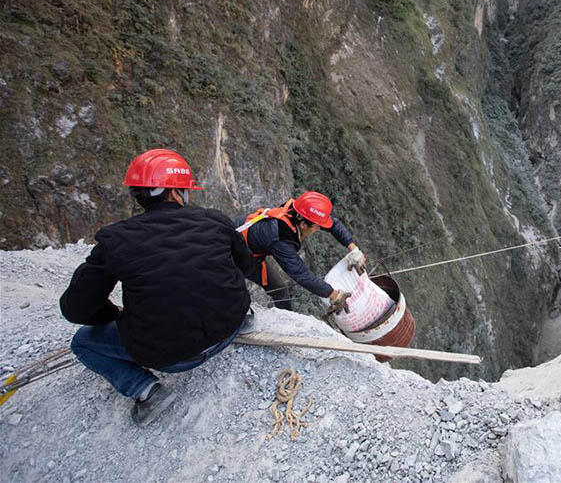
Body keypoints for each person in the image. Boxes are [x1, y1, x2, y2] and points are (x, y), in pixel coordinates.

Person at [60, 149, 254, 427]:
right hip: (231, 327)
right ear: (177, 193)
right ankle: (242, 316)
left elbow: (75, 308)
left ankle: (146, 390)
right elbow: (245, 266)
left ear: (137, 195)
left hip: (168, 357)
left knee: (83, 342)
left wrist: (114, 315)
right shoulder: (215, 220)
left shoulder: (115, 240)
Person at [235, 191, 367, 314]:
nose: (318, 229)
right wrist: (334, 294)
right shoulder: (281, 239)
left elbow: (333, 224)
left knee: (280, 290)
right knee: (236, 298)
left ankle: (285, 320)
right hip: (236, 253)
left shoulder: (299, 210)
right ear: (304, 225)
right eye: (317, 227)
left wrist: (354, 250)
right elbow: (301, 274)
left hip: (246, 236)